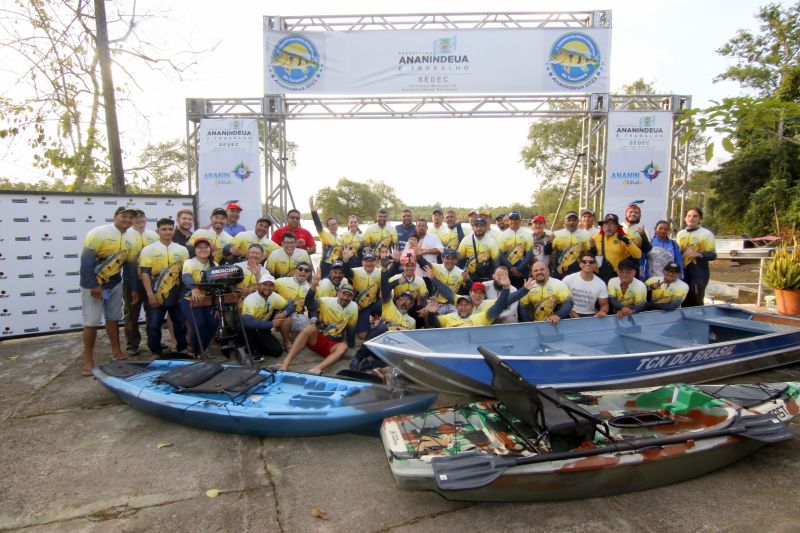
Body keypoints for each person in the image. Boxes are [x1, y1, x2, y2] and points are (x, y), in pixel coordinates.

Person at [79, 206, 137, 375]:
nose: (127, 220)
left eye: (130, 218)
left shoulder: (131, 237)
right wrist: (93, 285)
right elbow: (86, 261)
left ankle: (117, 353)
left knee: (113, 319)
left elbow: (130, 266)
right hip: (94, 284)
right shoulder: (98, 232)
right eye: (123, 216)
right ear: (115, 217)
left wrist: (133, 288)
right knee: (91, 322)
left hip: (114, 284)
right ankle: (88, 360)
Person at [280, 276, 358, 375]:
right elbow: (309, 303)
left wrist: (351, 344)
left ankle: (317, 368)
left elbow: (351, 327)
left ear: (352, 297)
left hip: (333, 345)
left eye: (349, 296)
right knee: (309, 328)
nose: (345, 298)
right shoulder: (326, 301)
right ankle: (285, 364)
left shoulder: (354, 306)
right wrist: (313, 287)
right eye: (344, 294)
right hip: (318, 339)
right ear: (338, 293)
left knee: (343, 347)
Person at [139, 218, 190, 358]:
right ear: (157, 231)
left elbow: (185, 274)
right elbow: (145, 274)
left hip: (177, 294)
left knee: (180, 324)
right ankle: (156, 351)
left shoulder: (182, 250)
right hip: (156, 294)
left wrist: (184, 294)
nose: (167, 232)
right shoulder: (148, 250)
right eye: (164, 229)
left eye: (170, 229)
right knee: (154, 325)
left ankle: (182, 348)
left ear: (174, 230)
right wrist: (150, 294)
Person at [122, 209, 159, 356]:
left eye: (142, 217)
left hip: (150, 281)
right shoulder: (125, 235)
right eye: (136, 217)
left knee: (152, 314)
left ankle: (153, 342)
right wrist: (132, 285)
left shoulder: (154, 236)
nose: (139, 220)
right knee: (131, 315)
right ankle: (132, 344)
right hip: (132, 281)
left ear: (146, 218)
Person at [241, 272, 293, 361]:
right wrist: (272, 324)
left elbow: (290, 305)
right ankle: (251, 350)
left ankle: (256, 345)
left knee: (277, 352)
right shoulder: (250, 299)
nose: (267, 288)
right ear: (258, 285)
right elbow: (247, 322)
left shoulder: (273, 296)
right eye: (264, 284)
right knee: (246, 326)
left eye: (271, 285)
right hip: (249, 330)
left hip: (262, 329)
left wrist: (284, 313)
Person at [180, 238, 218, 356]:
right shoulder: (189, 262)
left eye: (205, 247)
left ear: (210, 249)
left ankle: (202, 349)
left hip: (208, 301)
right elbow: (186, 277)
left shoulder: (215, 264)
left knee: (213, 323)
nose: (203, 249)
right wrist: (194, 288)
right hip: (190, 300)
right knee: (199, 324)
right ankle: (197, 351)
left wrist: (217, 304)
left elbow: (219, 284)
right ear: (195, 250)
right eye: (199, 247)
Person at [677, 207, 716, 307]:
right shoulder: (680, 234)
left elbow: (712, 255)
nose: (691, 218)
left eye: (695, 216)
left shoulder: (706, 234)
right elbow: (678, 252)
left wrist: (698, 254)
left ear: (700, 219)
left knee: (696, 300)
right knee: (684, 300)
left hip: (699, 271)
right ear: (685, 218)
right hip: (683, 272)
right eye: (689, 216)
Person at [341, 248, 381, 340]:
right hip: (361, 306)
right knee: (362, 336)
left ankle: (378, 320)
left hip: (375, 303)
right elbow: (346, 272)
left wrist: (395, 262)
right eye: (367, 261)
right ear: (362, 262)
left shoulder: (379, 271)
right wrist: (345, 261)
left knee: (386, 305)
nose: (369, 264)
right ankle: (366, 325)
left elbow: (391, 274)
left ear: (376, 262)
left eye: (372, 261)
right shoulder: (356, 271)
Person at [274, 261, 313, 352]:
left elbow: (313, 306)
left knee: (309, 326)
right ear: (295, 270)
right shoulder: (281, 281)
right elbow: (266, 288)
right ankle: (286, 341)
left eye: (306, 270)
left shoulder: (310, 288)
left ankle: (294, 336)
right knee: (287, 318)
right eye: (300, 269)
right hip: (282, 314)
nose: (303, 272)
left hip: (299, 315)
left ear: (309, 273)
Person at [591, 213, 642, 283]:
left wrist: (627, 241)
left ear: (617, 226)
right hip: (597, 275)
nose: (608, 226)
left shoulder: (623, 238)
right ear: (602, 226)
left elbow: (638, 255)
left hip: (615, 276)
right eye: (606, 223)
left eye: (612, 223)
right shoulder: (595, 237)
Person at [416, 248, 467, 315]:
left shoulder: (461, 272)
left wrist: (467, 280)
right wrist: (419, 257)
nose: (450, 261)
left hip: (452, 304)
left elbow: (468, 287)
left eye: (453, 259)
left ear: (457, 260)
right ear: (442, 259)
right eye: (447, 258)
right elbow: (425, 264)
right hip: (436, 303)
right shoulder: (436, 267)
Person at [562, 252, 609, 318]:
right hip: (570, 313)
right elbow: (559, 299)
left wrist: (603, 311)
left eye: (591, 262)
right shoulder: (568, 279)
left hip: (591, 315)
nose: (587, 264)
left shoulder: (601, 284)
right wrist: (568, 310)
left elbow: (604, 305)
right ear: (580, 264)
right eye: (584, 262)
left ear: (595, 265)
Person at [549, 211, 591, 279]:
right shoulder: (556, 234)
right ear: (564, 221)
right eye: (569, 220)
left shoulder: (586, 235)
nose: (571, 222)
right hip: (560, 272)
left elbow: (589, 253)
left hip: (578, 272)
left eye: (574, 220)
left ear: (578, 221)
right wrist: (549, 242)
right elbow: (548, 251)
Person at [498, 211, 533, 288]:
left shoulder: (527, 234)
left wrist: (519, 269)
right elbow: (501, 255)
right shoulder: (502, 235)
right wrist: (511, 268)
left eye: (516, 219)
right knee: (507, 294)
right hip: (507, 271)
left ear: (520, 220)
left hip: (522, 271)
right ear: (508, 221)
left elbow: (529, 254)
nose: (514, 221)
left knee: (522, 295)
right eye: (511, 219)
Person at [457, 216, 499, 283]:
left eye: (482, 226)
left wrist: (494, 276)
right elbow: (459, 259)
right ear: (473, 227)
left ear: (486, 227)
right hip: (469, 276)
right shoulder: (466, 240)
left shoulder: (492, 241)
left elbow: (496, 262)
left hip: (486, 276)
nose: (479, 228)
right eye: (476, 226)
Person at [309, 195, 342, 278]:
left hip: (337, 265)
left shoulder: (341, 238)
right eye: (330, 225)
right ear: (327, 227)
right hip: (326, 265)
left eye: (334, 224)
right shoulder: (324, 235)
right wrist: (312, 208)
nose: (333, 226)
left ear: (337, 224)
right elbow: (318, 224)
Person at [622, 203, 652, 278]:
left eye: (636, 213)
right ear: (625, 214)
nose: (633, 214)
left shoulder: (642, 229)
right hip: (617, 264)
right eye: (631, 212)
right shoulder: (618, 227)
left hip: (633, 266)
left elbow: (647, 249)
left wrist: (643, 235)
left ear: (640, 216)